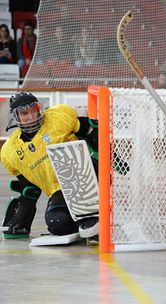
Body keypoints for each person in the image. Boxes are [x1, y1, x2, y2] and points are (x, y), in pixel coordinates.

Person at [1, 92, 99, 240]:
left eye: (34, 110)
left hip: (86, 173)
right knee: (57, 222)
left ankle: (92, 215)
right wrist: (24, 209)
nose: (31, 116)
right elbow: (28, 185)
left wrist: (108, 156)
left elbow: (90, 131)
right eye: (24, 113)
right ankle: (81, 220)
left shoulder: (57, 118)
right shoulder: (10, 151)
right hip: (60, 188)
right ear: (16, 116)